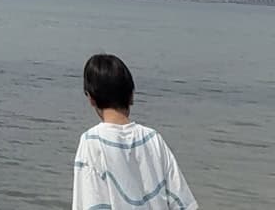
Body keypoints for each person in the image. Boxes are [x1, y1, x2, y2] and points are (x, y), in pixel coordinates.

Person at [72, 53, 198, 210]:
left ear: (91, 98)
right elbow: (183, 203)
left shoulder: (91, 142)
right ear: (131, 95)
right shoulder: (153, 139)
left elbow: (93, 205)